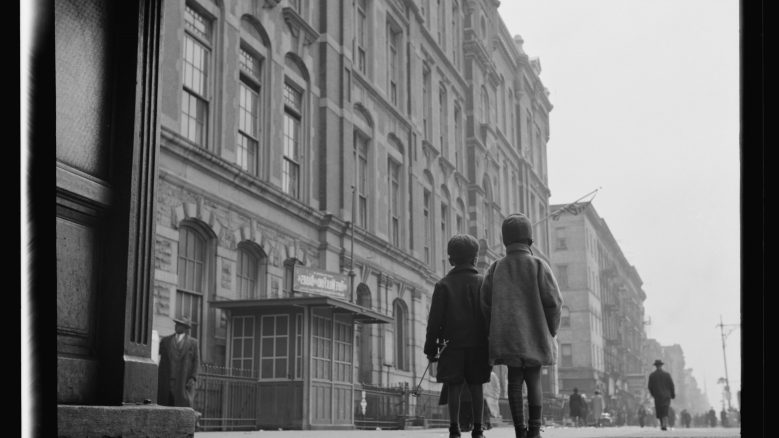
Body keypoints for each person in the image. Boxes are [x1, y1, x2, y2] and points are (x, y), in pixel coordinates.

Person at [480, 214, 563, 438]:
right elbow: (554, 302)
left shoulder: (496, 268)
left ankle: (520, 431)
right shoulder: (539, 265)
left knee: (514, 379)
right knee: (534, 379)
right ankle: (534, 431)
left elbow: (485, 304)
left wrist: (493, 329)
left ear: (505, 241)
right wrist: (550, 330)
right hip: (535, 334)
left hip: (507, 336)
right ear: (530, 241)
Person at [425, 234, 492, 438]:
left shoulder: (443, 285)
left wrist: (431, 350)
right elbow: (489, 316)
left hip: (451, 345)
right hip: (479, 345)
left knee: (453, 385)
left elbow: (434, 321)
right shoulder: (483, 283)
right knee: (476, 385)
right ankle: (478, 429)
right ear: (474, 258)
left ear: (451, 259)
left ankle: (454, 429)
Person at [157, 317, 200, 407]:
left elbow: (196, 362)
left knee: (182, 405)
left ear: (185, 328)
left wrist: (193, 378)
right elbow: (157, 355)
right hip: (166, 381)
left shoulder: (193, 343)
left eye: (180, 325)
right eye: (176, 324)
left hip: (183, 382)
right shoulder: (166, 341)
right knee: (165, 405)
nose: (176, 326)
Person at [647, 359, 675, 431]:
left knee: (659, 410)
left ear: (655, 366)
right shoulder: (667, 375)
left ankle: (662, 424)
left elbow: (650, 387)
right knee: (665, 410)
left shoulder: (652, 376)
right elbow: (671, 385)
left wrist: (653, 394)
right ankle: (664, 424)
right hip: (666, 396)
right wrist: (672, 394)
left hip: (658, 396)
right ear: (661, 366)